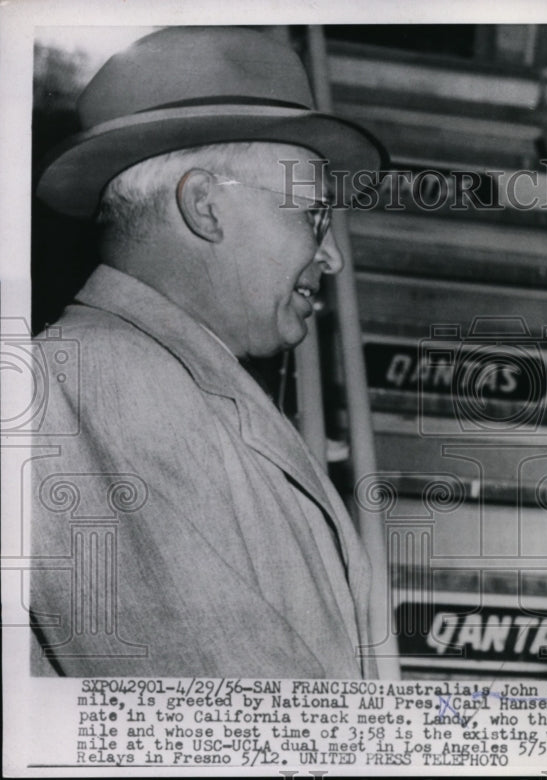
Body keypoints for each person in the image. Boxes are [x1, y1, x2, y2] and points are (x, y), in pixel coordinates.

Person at [29, 27, 385, 677]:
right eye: (310, 212)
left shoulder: (163, 380)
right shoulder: (95, 381)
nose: (329, 254)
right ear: (204, 206)